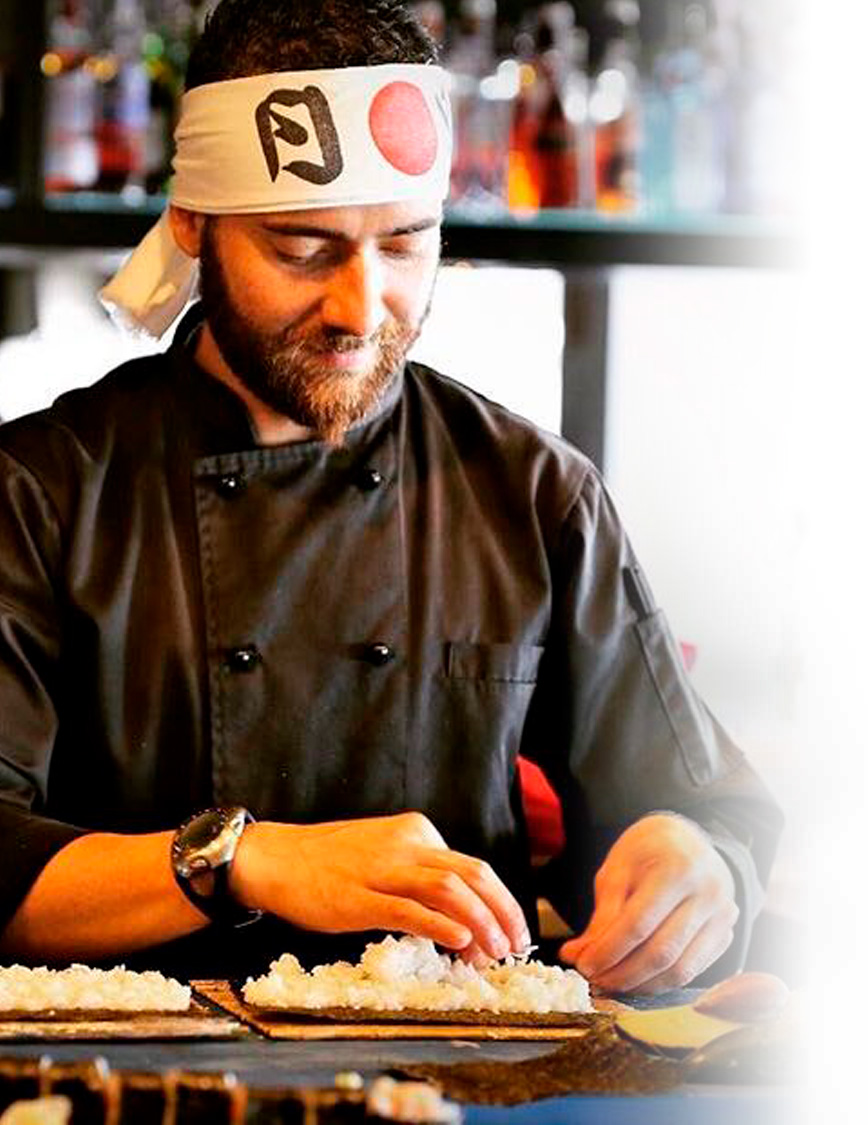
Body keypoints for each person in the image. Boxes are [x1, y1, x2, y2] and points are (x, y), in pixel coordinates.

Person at [0, 0, 781, 991]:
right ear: (193, 221)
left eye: (406, 244)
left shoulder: (532, 492)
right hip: (126, 1071)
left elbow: (703, 807)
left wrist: (695, 865)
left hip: (459, 1065)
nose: (361, 309)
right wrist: (245, 860)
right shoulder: (41, 492)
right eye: (302, 249)